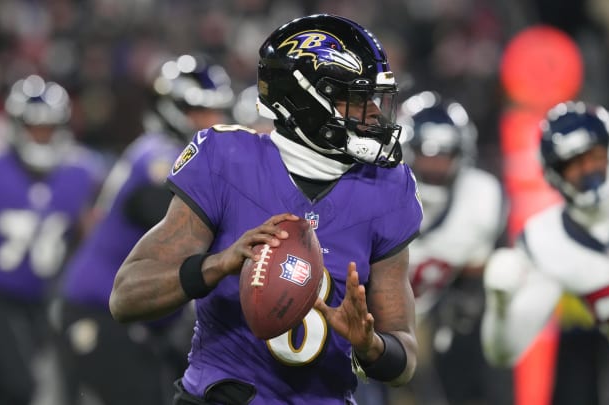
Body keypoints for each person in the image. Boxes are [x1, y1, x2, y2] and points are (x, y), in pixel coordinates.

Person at [109, 13, 422, 405]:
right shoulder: (227, 159)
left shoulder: (388, 187)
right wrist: (218, 264)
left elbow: (405, 355)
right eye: (354, 99)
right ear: (305, 99)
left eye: (373, 99)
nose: (374, 113)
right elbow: (126, 296)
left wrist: (370, 344)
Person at [57, 54, 234, 405]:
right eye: (199, 110)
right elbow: (165, 211)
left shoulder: (170, 153)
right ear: (171, 108)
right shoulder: (157, 155)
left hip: (139, 317)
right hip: (101, 310)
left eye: (216, 110)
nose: (211, 121)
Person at [0, 74, 103, 405]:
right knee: (18, 384)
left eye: (49, 128)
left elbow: (90, 242)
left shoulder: (81, 174)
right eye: (34, 127)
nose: (41, 136)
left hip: (36, 301)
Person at [481, 100, 609, 404]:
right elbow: (504, 352)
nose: (587, 170)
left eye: (593, 156)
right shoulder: (549, 241)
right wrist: (500, 303)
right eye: (572, 164)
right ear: (553, 173)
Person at [385, 91, 511, 405]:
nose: (435, 165)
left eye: (444, 154)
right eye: (426, 154)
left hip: (427, 320)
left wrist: (468, 298)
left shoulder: (480, 200)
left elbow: (479, 270)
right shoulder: (376, 189)